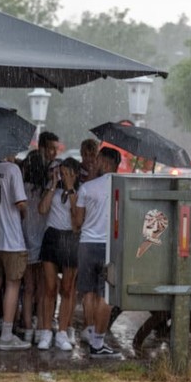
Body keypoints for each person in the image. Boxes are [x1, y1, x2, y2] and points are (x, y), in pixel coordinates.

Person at [74, 147, 122, 357]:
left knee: (89, 292)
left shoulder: (87, 188)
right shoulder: (122, 188)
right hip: (110, 246)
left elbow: (77, 222)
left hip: (86, 244)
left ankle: (91, 332)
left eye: (99, 159)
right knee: (107, 295)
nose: (95, 162)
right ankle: (97, 342)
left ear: (107, 162)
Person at [0, 155, 31, 351]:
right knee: (12, 285)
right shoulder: (12, 169)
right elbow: (20, 203)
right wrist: (26, 210)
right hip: (11, 239)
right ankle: (7, 335)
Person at [37, 157, 81, 351]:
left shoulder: (80, 191)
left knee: (67, 288)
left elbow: (77, 218)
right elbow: (42, 209)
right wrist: (53, 185)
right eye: (61, 172)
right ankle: (46, 330)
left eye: (67, 173)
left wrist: (70, 188)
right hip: (52, 235)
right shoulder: (53, 187)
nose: (63, 176)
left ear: (75, 174)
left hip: (70, 238)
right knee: (49, 287)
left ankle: (62, 331)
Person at [19, 149, 48, 343]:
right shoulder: (45, 192)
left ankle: (27, 327)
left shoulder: (21, 188)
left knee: (28, 288)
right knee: (42, 288)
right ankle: (40, 328)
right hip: (43, 242)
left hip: (24, 241)